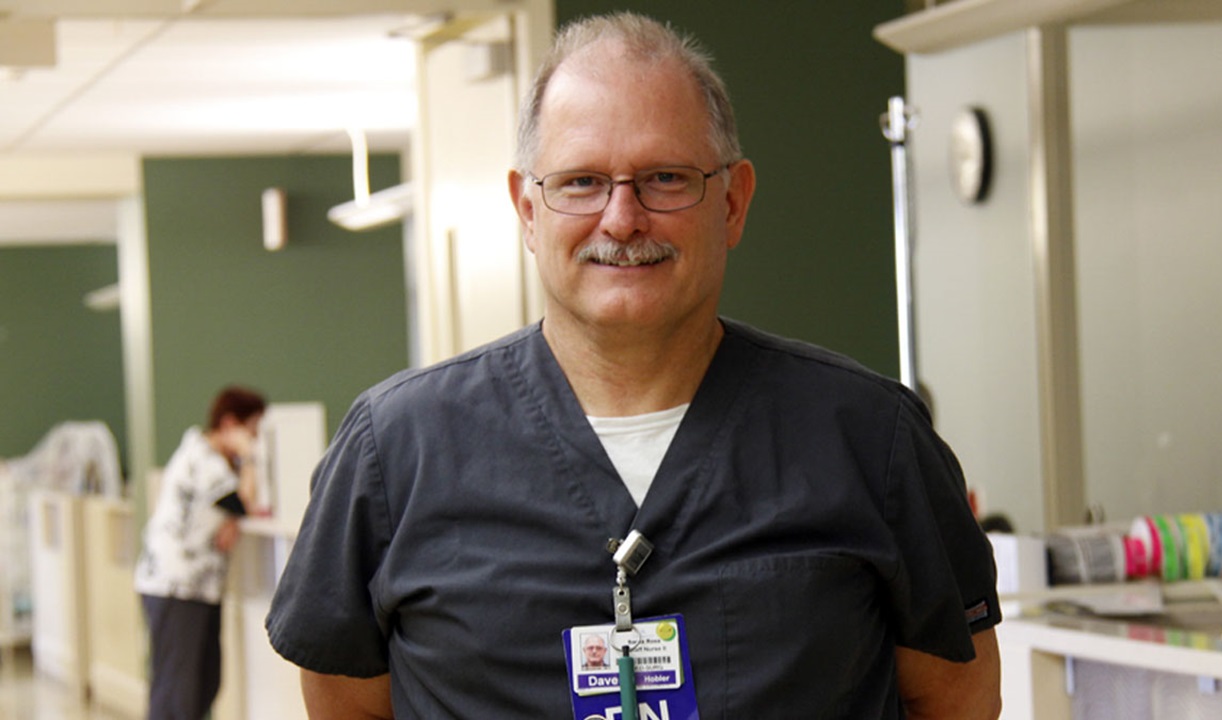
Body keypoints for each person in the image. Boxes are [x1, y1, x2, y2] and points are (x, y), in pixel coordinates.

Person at [266, 12, 1001, 719]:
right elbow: (347, 705)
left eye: (666, 179)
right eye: (581, 181)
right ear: (527, 209)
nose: (622, 218)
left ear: (734, 202)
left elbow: (955, 699)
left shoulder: (870, 439)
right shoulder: (393, 452)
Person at [135, 385, 266, 720]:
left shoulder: (212, 461)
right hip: (177, 587)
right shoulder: (203, 459)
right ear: (229, 423)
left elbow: (234, 506)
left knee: (203, 682)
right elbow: (243, 501)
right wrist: (248, 456)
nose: (254, 438)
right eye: (251, 429)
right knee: (178, 691)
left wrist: (234, 518)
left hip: (197, 588)